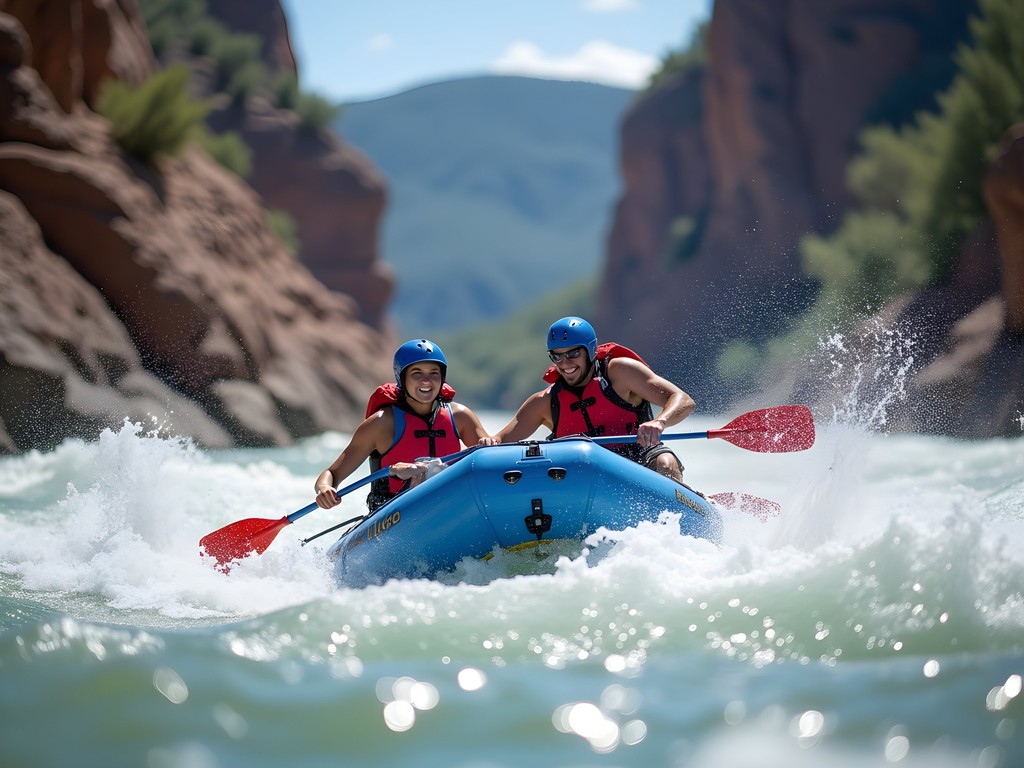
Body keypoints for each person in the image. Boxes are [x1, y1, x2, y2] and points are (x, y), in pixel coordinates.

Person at [492, 316, 694, 483]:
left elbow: (683, 400)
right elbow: (499, 442)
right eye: (557, 356)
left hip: (639, 457)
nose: (565, 363)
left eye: (573, 353)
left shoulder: (621, 372)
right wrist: (490, 441)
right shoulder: (545, 402)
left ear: (590, 350)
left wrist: (660, 421)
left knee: (666, 464)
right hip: (585, 473)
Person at [315, 339, 495, 512]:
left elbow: (491, 462)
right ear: (402, 379)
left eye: (434, 373)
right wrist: (324, 488)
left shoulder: (460, 416)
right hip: (393, 512)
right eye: (417, 374)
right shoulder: (381, 423)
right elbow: (332, 473)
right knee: (419, 475)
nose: (426, 381)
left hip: (449, 504)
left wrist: (488, 445)